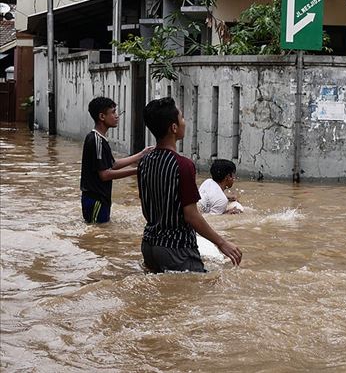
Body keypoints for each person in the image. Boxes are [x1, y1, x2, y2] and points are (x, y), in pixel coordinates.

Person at [138, 97, 242, 273]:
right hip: (177, 249)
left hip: (148, 245)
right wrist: (222, 243)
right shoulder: (183, 165)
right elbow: (192, 216)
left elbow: (146, 209)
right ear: (174, 128)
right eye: (182, 118)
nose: (185, 122)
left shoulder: (144, 161)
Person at [80, 97, 151, 224]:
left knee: (100, 235)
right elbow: (105, 175)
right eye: (113, 112)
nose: (117, 116)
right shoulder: (96, 140)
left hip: (101, 199)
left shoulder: (100, 139)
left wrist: (141, 154)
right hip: (96, 199)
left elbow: (112, 165)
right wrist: (138, 170)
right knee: (97, 236)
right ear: (102, 116)